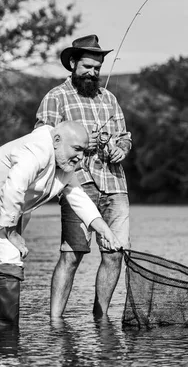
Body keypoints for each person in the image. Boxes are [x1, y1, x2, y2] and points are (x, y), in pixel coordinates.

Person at [0, 121, 121, 327]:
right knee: (7, 257)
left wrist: (104, 230)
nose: (81, 156)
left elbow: (78, 198)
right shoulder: (36, 149)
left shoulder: (63, 162)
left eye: (84, 151)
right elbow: (15, 186)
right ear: (56, 140)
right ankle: (5, 337)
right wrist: (10, 232)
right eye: (77, 149)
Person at [35, 34, 132, 318]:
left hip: (114, 184)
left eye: (97, 68)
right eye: (86, 66)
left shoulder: (109, 99)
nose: (92, 73)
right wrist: (83, 143)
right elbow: (42, 141)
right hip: (76, 183)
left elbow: (125, 137)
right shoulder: (56, 97)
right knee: (72, 254)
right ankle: (55, 320)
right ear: (73, 64)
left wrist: (120, 149)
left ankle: (100, 319)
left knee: (115, 253)